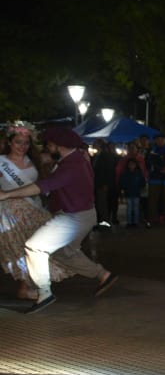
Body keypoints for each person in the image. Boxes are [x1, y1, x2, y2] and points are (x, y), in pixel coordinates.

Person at [0, 127, 118, 313]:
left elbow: (42, 186)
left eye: (49, 144)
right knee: (64, 253)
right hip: (83, 215)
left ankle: (44, 293)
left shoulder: (71, 165)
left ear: (58, 145)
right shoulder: (76, 158)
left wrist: (7, 195)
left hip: (72, 218)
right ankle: (103, 275)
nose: (47, 147)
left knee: (34, 246)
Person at [0, 122, 75, 301]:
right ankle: (26, 288)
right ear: (10, 142)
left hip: (33, 209)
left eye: (26, 142)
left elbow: (59, 163)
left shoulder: (33, 159)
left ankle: (26, 287)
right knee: (20, 249)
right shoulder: (2, 163)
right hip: (10, 212)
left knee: (37, 247)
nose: (22, 146)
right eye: (18, 142)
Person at [118, 158, 146, 228]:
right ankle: (129, 222)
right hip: (129, 193)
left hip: (136, 193)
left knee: (135, 208)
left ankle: (135, 222)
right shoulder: (125, 173)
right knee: (129, 208)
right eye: (130, 164)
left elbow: (142, 182)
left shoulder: (138, 173)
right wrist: (124, 188)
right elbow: (122, 182)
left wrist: (140, 187)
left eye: (133, 164)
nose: (132, 166)